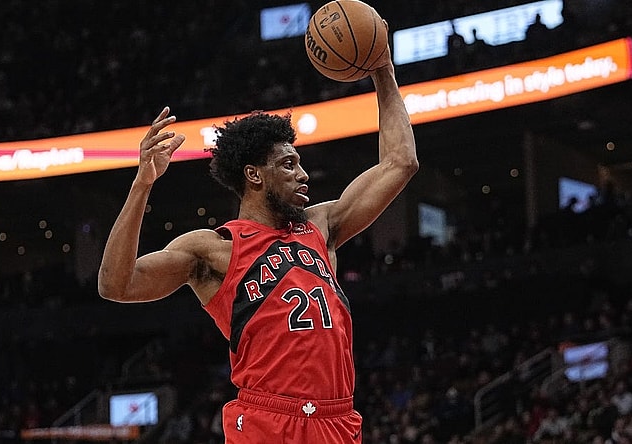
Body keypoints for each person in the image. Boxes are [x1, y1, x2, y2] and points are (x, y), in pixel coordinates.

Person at [98, 34, 418, 443]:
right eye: (289, 164)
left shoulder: (321, 227)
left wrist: (383, 70)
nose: (303, 175)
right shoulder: (213, 249)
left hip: (337, 420)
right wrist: (142, 183)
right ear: (254, 175)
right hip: (268, 420)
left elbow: (400, 162)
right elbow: (115, 284)